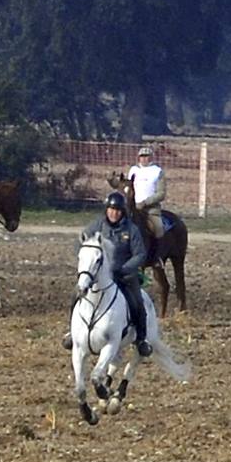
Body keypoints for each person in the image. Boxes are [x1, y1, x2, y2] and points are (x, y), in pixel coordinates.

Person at [84, 192, 152, 357]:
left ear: (122, 212)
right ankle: (72, 333)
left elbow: (140, 255)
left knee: (137, 302)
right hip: (100, 276)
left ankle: (141, 339)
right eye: (111, 209)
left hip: (125, 276)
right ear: (106, 210)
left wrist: (124, 269)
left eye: (117, 210)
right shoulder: (97, 226)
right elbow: (82, 243)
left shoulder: (131, 229)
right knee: (77, 295)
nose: (113, 213)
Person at [126, 146, 165, 233]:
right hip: (132, 209)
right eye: (142, 156)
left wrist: (145, 203)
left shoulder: (157, 171)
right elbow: (126, 187)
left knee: (158, 229)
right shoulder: (133, 170)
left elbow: (161, 193)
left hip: (151, 210)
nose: (144, 159)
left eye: (146, 156)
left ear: (151, 157)